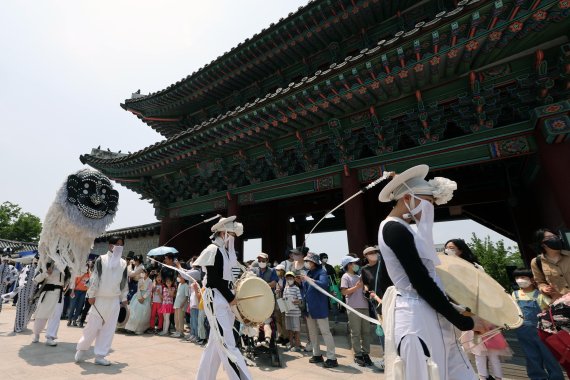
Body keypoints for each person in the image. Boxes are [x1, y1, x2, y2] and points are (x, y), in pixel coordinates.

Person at [377, 164, 482, 380]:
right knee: (425, 370)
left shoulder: (404, 228)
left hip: (426, 308)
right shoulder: (394, 229)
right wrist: (461, 321)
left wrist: (454, 309)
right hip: (414, 314)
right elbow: (420, 280)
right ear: (407, 198)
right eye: (428, 202)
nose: (430, 208)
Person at [194, 215, 252, 380]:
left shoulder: (224, 252)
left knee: (216, 343)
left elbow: (227, 279)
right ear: (223, 233)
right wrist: (230, 298)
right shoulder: (213, 250)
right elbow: (213, 280)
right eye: (231, 234)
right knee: (228, 343)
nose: (232, 238)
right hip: (216, 299)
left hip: (223, 299)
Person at [75, 236, 129, 366]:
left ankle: (100, 355)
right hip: (99, 299)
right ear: (110, 245)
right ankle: (81, 349)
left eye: (121, 244)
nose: (119, 247)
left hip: (114, 300)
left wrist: (124, 298)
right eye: (116, 244)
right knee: (92, 327)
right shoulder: (101, 259)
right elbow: (95, 278)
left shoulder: (123, 263)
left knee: (108, 329)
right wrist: (91, 295)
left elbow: (124, 282)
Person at [511, 268, 564, 380]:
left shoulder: (539, 294)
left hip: (541, 330)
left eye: (523, 277)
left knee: (548, 355)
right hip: (523, 331)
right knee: (531, 356)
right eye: (517, 278)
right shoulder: (514, 294)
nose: (519, 280)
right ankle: (537, 377)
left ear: (532, 279)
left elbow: (552, 305)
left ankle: (556, 377)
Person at [302, 251, 338, 368]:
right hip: (309, 308)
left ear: (313, 262)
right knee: (312, 333)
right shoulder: (308, 272)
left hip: (319, 307)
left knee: (325, 332)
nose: (306, 263)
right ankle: (316, 354)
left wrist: (309, 280)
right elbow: (305, 289)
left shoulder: (321, 272)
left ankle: (332, 357)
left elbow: (323, 284)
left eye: (308, 261)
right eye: (306, 261)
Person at [340, 255, 372, 367]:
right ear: (348, 265)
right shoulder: (345, 276)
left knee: (366, 332)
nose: (356, 265)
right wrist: (357, 287)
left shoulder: (359, 276)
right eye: (353, 263)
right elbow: (344, 292)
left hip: (364, 306)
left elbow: (364, 288)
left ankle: (366, 353)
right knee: (356, 332)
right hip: (353, 307)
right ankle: (358, 354)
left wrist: (366, 288)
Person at [32, 261, 69, 346]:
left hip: (59, 295)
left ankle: (50, 337)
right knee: (41, 315)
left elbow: (67, 281)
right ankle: (36, 334)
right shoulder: (47, 263)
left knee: (55, 316)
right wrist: (46, 273)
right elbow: (36, 279)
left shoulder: (67, 265)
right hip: (48, 294)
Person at [531, 228, 570, 301]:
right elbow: (540, 282)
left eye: (555, 237)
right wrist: (544, 288)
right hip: (561, 303)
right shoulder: (537, 262)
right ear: (542, 244)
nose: (554, 239)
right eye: (549, 238)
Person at [253, 252, 277, 347]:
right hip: (256, 301)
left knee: (267, 322)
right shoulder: (254, 270)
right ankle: (255, 339)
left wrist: (262, 285)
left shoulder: (272, 271)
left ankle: (267, 340)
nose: (261, 262)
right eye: (259, 260)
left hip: (268, 301)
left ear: (267, 261)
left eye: (263, 260)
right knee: (256, 322)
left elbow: (274, 283)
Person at [125, 266, 152, 335]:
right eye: (142, 272)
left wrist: (143, 298)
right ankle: (131, 328)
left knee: (143, 312)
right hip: (138, 296)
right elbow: (138, 289)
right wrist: (139, 298)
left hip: (146, 298)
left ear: (147, 273)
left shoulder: (150, 281)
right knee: (134, 310)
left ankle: (140, 329)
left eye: (144, 272)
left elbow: (149, 290)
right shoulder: (140, 280)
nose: (142, 273)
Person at [283, 271, 302, 352]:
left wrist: (295, 301)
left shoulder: (297, 288)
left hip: (295, 313)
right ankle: (291, 345)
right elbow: (284, 299)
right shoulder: (285, 288)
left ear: (294, 279)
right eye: (288, 278)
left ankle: (297, 346)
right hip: (288, 312)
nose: (289, 279)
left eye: (291, 278)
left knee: (296, 330)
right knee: (289, 330)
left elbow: (300, 300)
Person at [274, 264, 288, 345]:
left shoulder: (286, 279)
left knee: (284, 319)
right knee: (277, 318)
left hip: (284, 300)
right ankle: (280, 336)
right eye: (277, 270)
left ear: (283, 271)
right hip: (277, 299)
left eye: (279, 270)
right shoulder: (275, 279)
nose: (278, 271)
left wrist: (281, 289)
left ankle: (286, 337)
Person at [172, 273, 188, 338]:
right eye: (178, 276)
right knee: (176, 318)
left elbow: (187, 296)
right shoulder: (179, 284)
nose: (178, 278)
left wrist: (183, 304)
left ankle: (181, 332)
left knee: (180, 318)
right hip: (176, 304)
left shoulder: (186, 285)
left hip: (181, 305)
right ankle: (177, 331)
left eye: (180, 276)